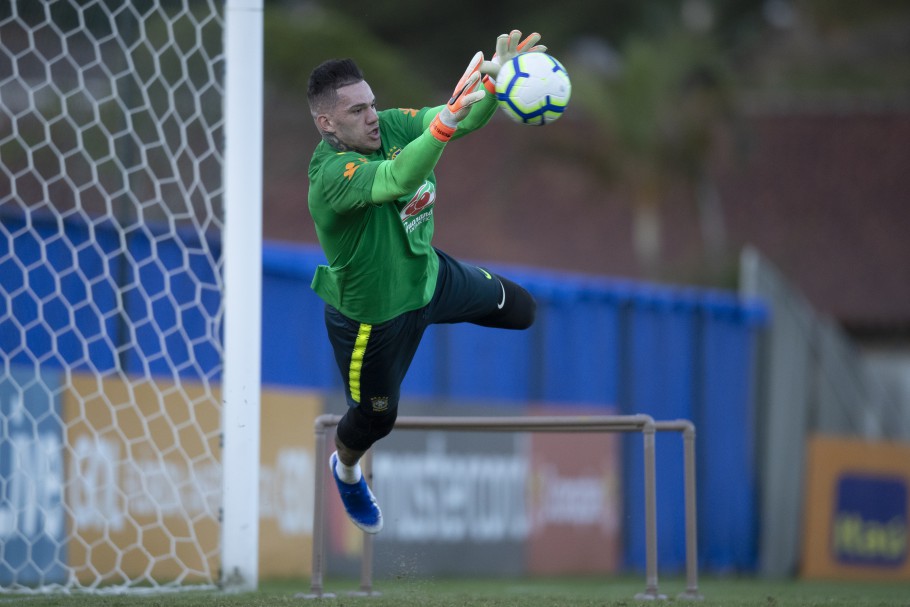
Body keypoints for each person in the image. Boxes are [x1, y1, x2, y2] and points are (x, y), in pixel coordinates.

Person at [305, 31, 544, 534]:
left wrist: (498, 84)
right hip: (373, 321)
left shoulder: (389, 125)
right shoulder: (329, 175)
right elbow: (396, 180)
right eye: (356, 112)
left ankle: (351, 461)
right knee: (374, 422)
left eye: (372, 104)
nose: (372, 116)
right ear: (326, 123)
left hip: (431, 278)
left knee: (522, 310)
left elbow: (464, 117)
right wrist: (446, 121)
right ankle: (346, 470)